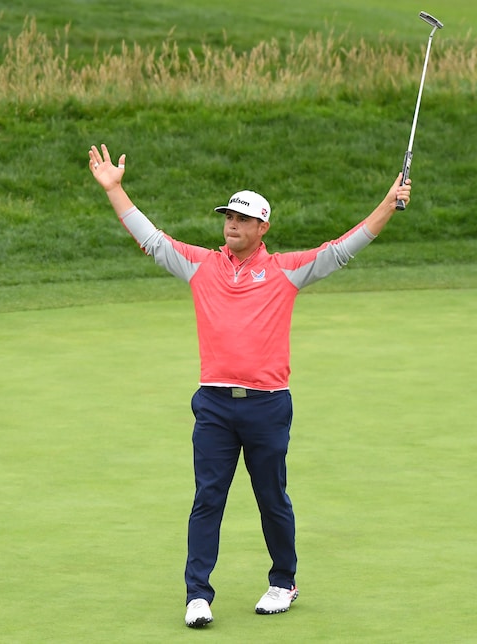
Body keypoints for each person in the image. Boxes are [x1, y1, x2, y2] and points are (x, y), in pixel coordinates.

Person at [88, 143, 411, 628]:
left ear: (263, 228)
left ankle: (284, 582)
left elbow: (343, 249)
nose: (232, 224)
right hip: (215, 404)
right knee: (207, 499)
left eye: (242, 218)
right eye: (228, 217)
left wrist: (387, 205)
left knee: (271, 497)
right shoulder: (200, 265)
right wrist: (116, 190)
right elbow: (152, 239)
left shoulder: (286, 269)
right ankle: (198, 594)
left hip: (267, 405)